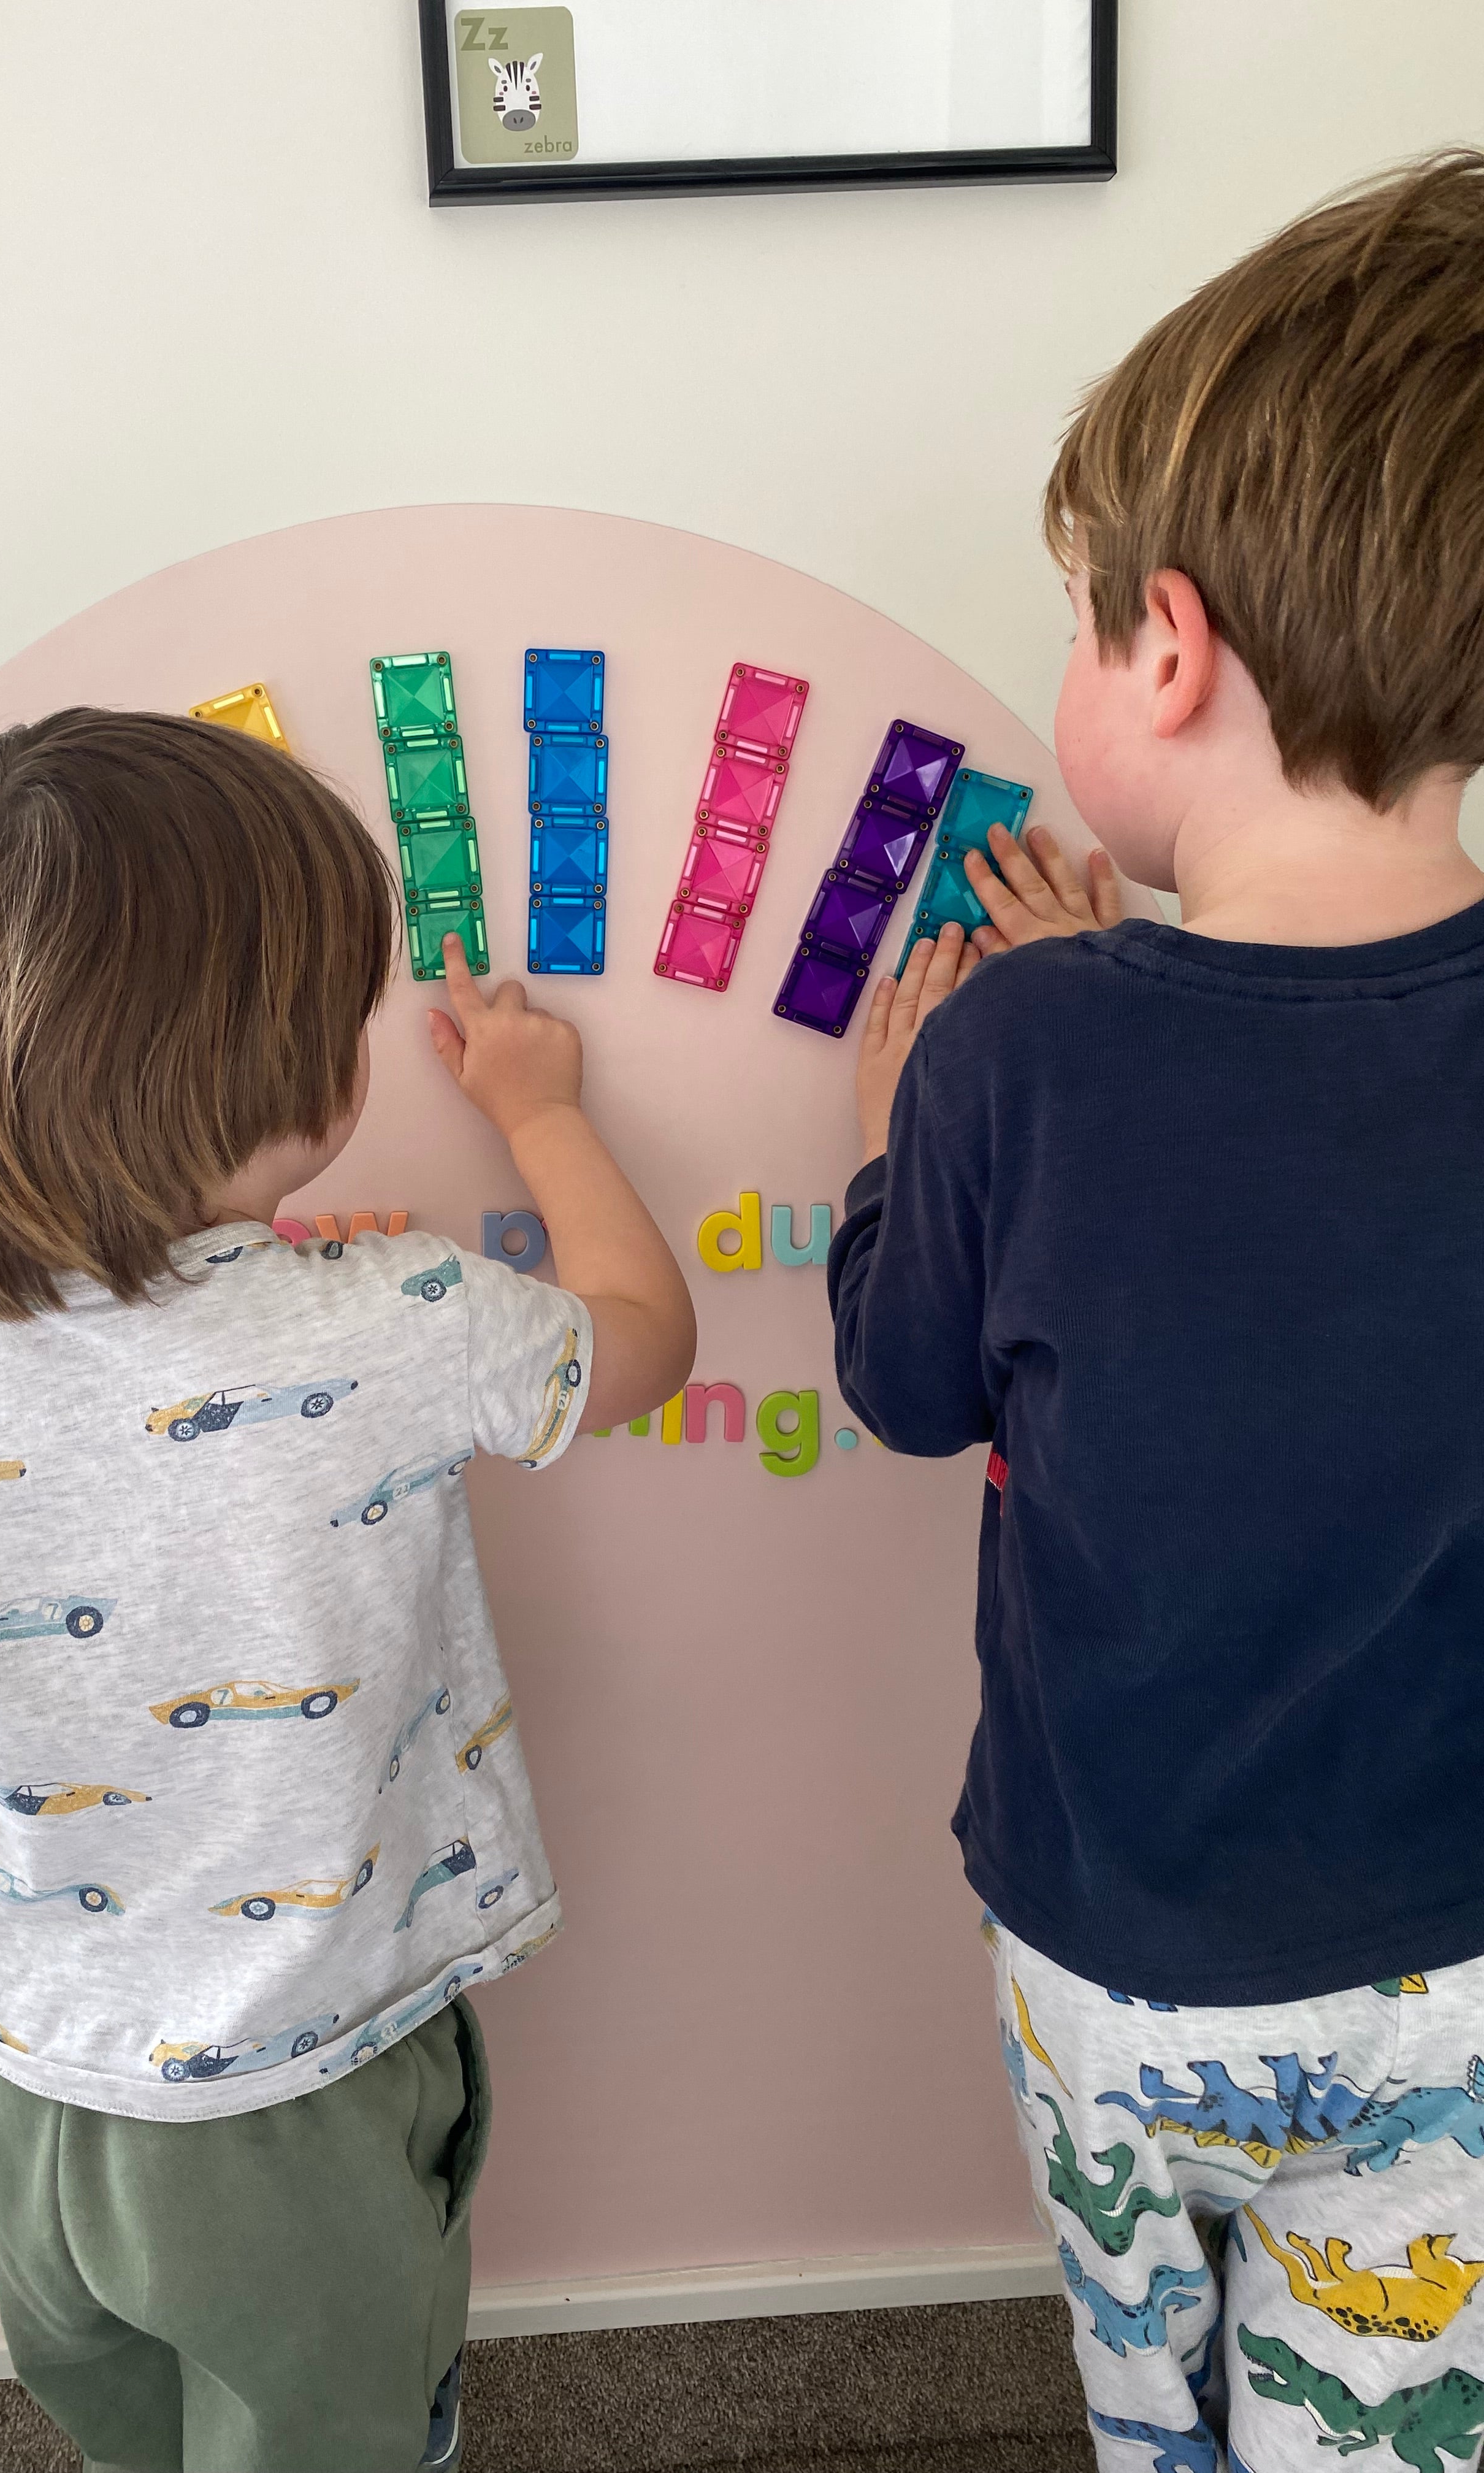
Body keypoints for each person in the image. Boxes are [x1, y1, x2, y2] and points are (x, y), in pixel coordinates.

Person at [0, 710, 694, 2473]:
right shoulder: (397, 1313)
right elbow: (643, 1344)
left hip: (48, 2085)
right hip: (305, 2088)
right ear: (301, 1090)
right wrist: (539, 1112)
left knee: (126, 2426)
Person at [829, 153, 1484, 2472]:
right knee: (1397, 2412)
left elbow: (907, 1388)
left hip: (1122, 1953)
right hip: (1457, 1948)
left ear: (1170, 649)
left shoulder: (1020, 1053)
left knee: (1162, 2403)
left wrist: (907, 1122)